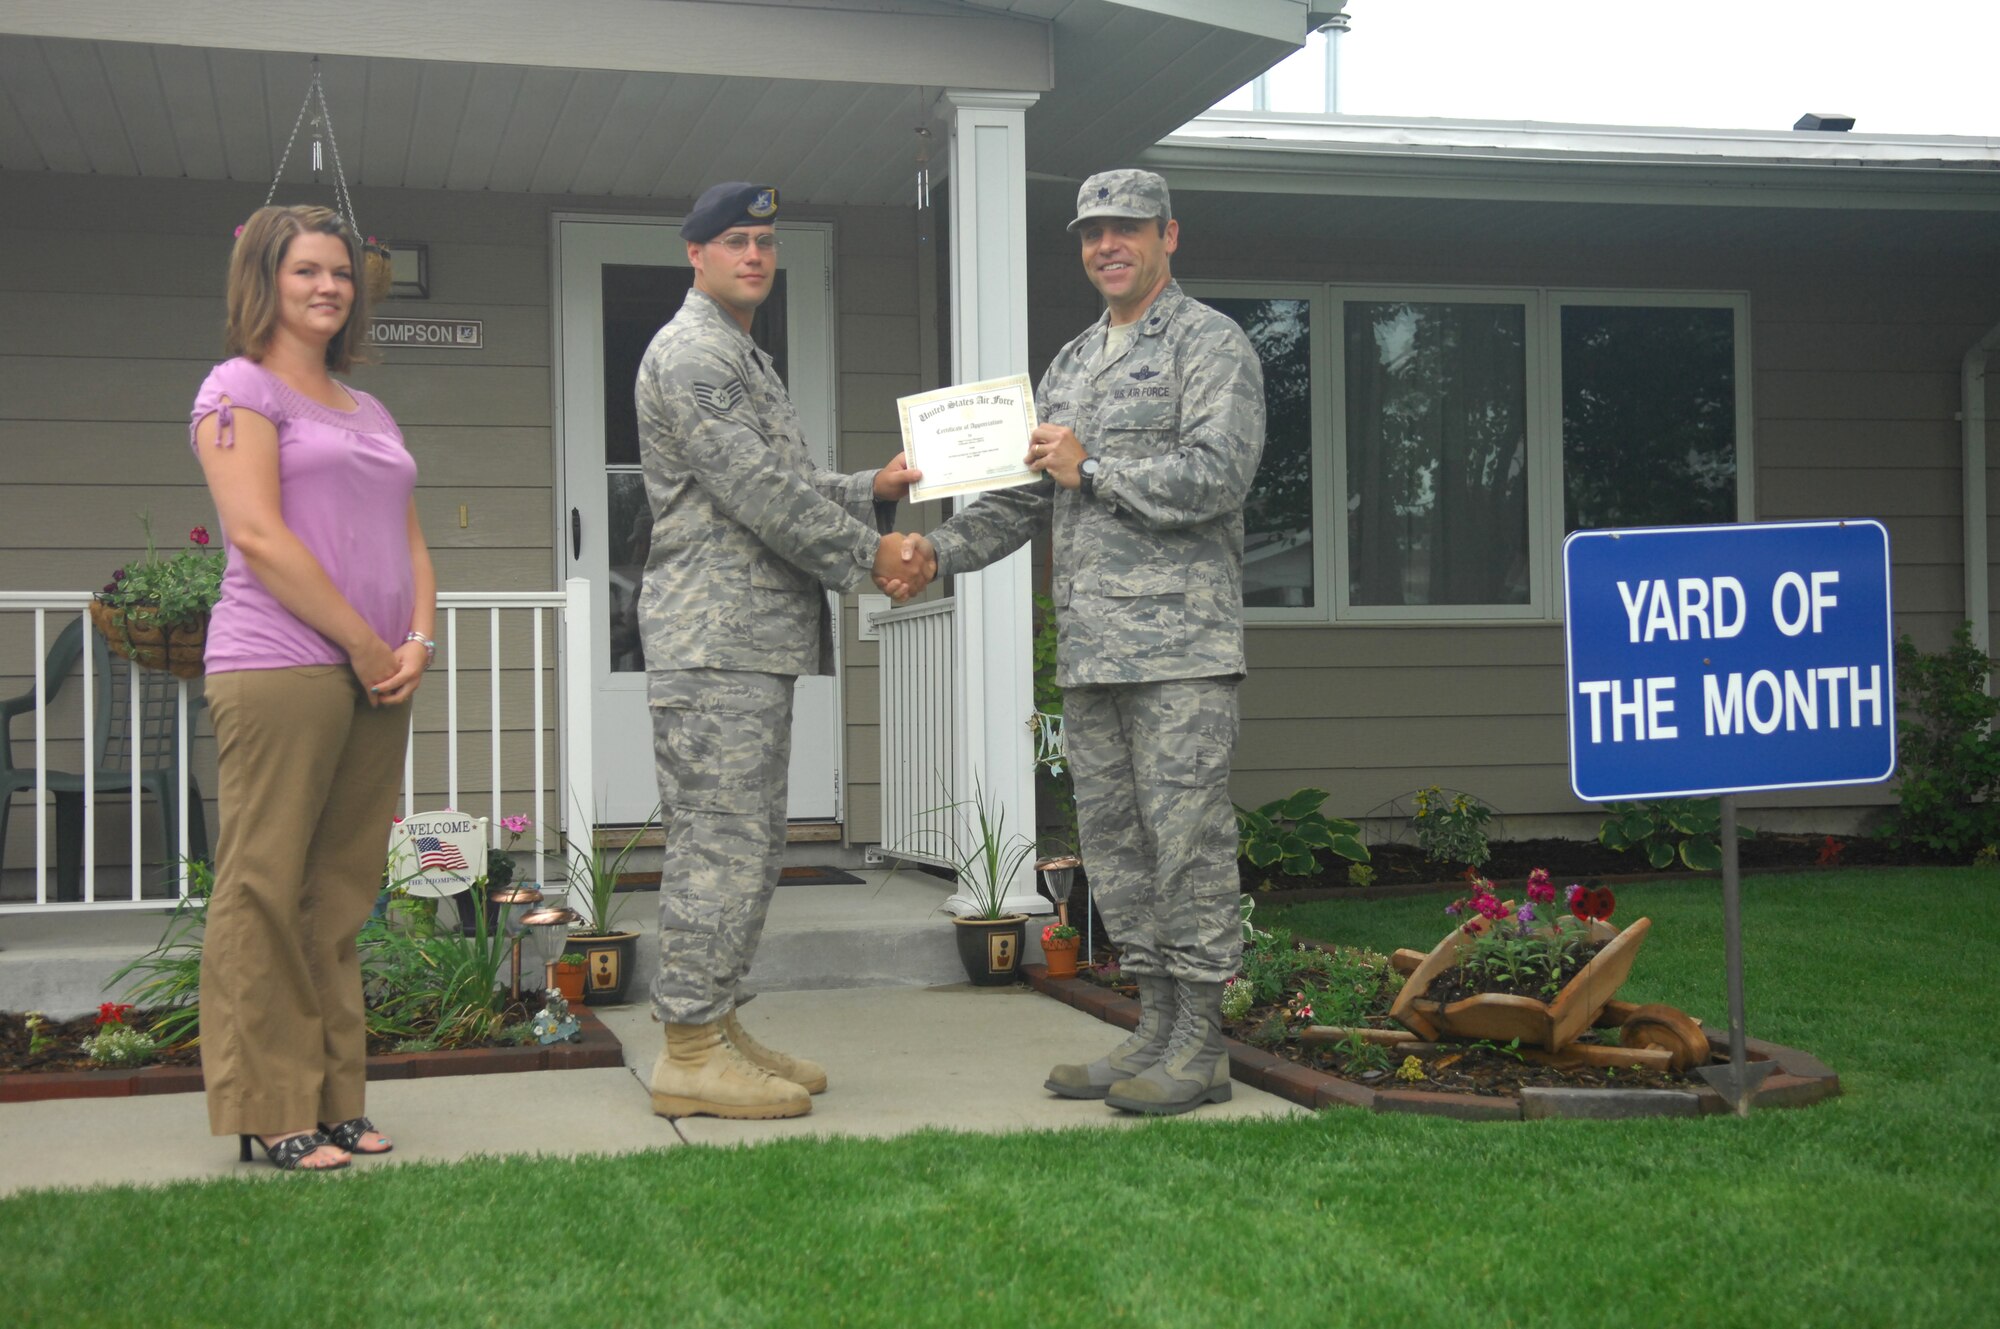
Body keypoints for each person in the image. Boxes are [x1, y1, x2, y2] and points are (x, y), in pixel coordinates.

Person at [904, 169, 1264, 1116]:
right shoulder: (1067, 365)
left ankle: (1202, 1044)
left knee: (1186, 844)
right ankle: (1149, 1026)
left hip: (1180, 649)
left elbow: (1218, 476)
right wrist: (927, 554)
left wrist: (1093, 467)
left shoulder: (1209, 344)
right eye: (1093, 232)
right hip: (1096, 650)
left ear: (1168, 236)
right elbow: (1028, 495)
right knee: (1115, 845)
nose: (1108, 245)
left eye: (1128, 229)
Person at [637, 181, 929, 1120]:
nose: (755, 255)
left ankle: (715, 1024)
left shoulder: (740, 356)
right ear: (697, 255)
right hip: (715, 637)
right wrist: (871, 552)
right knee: (719, 844)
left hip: (748, 637)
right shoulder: (694, 357)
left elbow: (792, 484)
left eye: (765, 241)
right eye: (735, 242)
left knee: (748, 844)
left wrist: (869, 488)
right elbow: (757, 490)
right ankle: (687, 1048)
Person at [190, 205, 437, 1170]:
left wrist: (415, 636)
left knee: (339, 892)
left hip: (378, 671)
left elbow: (408, 538)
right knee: (264, 885)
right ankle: (269, 1104)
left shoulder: (366, 408)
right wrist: (360, 642)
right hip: (279, 662)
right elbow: (255, 534)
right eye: (307, 272)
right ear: (265, 279)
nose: (328, 286)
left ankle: (337, 1100)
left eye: (340, 273)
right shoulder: (238, 388)